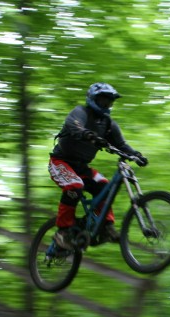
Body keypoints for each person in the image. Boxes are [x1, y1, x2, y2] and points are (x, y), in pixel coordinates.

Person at [48, 82, 148, 250]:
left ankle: (106, 227)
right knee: (74, 185)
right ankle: (62, 232)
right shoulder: (81, 112)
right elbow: (74, 125)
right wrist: (88, 134)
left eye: (109, 102)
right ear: (93, 99)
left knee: (105, 186)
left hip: (82, 168)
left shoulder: (108, 123)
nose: (107, 105)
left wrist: (136, 155)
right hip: (61, 162)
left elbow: (122, 145)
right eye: (103, 101)